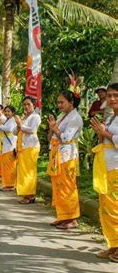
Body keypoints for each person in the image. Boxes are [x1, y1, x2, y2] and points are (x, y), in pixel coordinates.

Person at [47, 90, 83, 230]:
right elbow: (52, 136)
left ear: (71, 102)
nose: (59, 105)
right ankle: (62, 216)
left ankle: (72, 218)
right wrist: (52, 129)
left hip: (67, 154)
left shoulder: (76, 118)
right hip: (57, 153)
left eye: (62, 102)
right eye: (58, 102)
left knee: (67, 186)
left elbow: (66, 137)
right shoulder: (62, 116)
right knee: (58, 185)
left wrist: (55, 128)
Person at [91, 82, 118, 262]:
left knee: (116, 208)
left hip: (116, 167)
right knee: (107, 208)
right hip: (106, 168)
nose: (112, 99)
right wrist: (101, 132)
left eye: (116, 95)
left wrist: (105, 133)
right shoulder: (111, 118)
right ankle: (113, 244)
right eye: (109, 95)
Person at [15, 97, 41, 204]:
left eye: (28, 104)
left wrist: (21, 124)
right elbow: (17, 131)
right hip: (23, 146)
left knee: (29, 172)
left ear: (33, 105)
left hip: (31, 146)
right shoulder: (25, 117)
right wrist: (18, 125)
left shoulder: (35, 116)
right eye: (24, 104)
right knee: (23, 171)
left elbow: (32, 130)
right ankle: (26, 193)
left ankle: (30, 195)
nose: (26, 107)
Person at [0, 106, 18, 192]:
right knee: (6, 166)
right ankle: (7, 184)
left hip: (10, 146)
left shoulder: (13, 120)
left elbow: (9, 129)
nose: (6, 113)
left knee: (9, 166)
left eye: (8, 111)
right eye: (5, 111)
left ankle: (10, 185)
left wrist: (0, 126)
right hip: (5, 146)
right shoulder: (8, 120)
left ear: (13, 113)